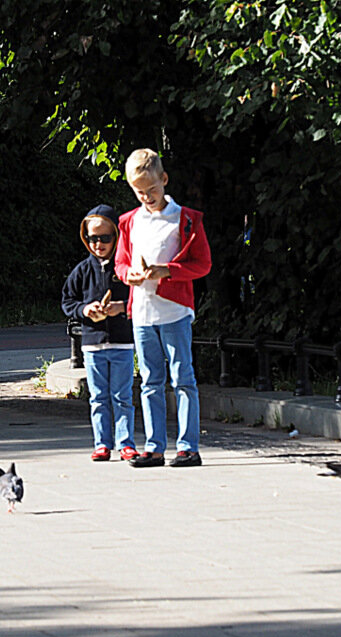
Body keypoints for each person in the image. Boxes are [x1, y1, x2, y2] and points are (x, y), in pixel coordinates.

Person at [115, 149, 212, 468]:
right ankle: (155, 447)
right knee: (150, 380)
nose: (146, 197)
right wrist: (128, 273)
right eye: (139, 192)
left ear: (164, 180)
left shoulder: (185, 219)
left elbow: (202, 264)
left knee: (182, 377)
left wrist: (168, 270)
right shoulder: (129, 222)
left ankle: (188, 446)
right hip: (142, 311)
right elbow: (120, 263)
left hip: (174, 311)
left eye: (151, 190)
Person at [61, 205, 138, 462]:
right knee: (98, 397)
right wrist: (85, 309)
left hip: (122, 342)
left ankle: (125, 442)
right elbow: (68, 301)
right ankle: (102, 443)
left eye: (105, 238)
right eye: (93, 238)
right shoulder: (82, 269)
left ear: (116, 236)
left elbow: (140, 297)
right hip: (93, 344)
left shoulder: (125, 267)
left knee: (122, 396)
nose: (99, 244)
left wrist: (121, 308)